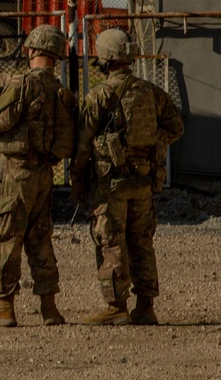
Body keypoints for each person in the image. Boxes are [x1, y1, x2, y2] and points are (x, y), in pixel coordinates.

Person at [70, 28, 184, 325]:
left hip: (111, 185)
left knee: (111, 240)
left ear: (105, 59)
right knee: (142, 241)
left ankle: (116, 305)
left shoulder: (99, 95)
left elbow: (82, 145)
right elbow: (176, 127)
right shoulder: (150, 91)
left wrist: (77, 179)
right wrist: (152, 144)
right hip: (143, 181)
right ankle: (145, 306)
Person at [0, 24, 74, 327]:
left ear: (33, 50)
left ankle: (4, 307)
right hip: (44, 174)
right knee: (40, 239)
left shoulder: (22, 84)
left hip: (15, 174)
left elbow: (1, 120)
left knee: (6, 237)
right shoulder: (60, 91)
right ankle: (50, 308)